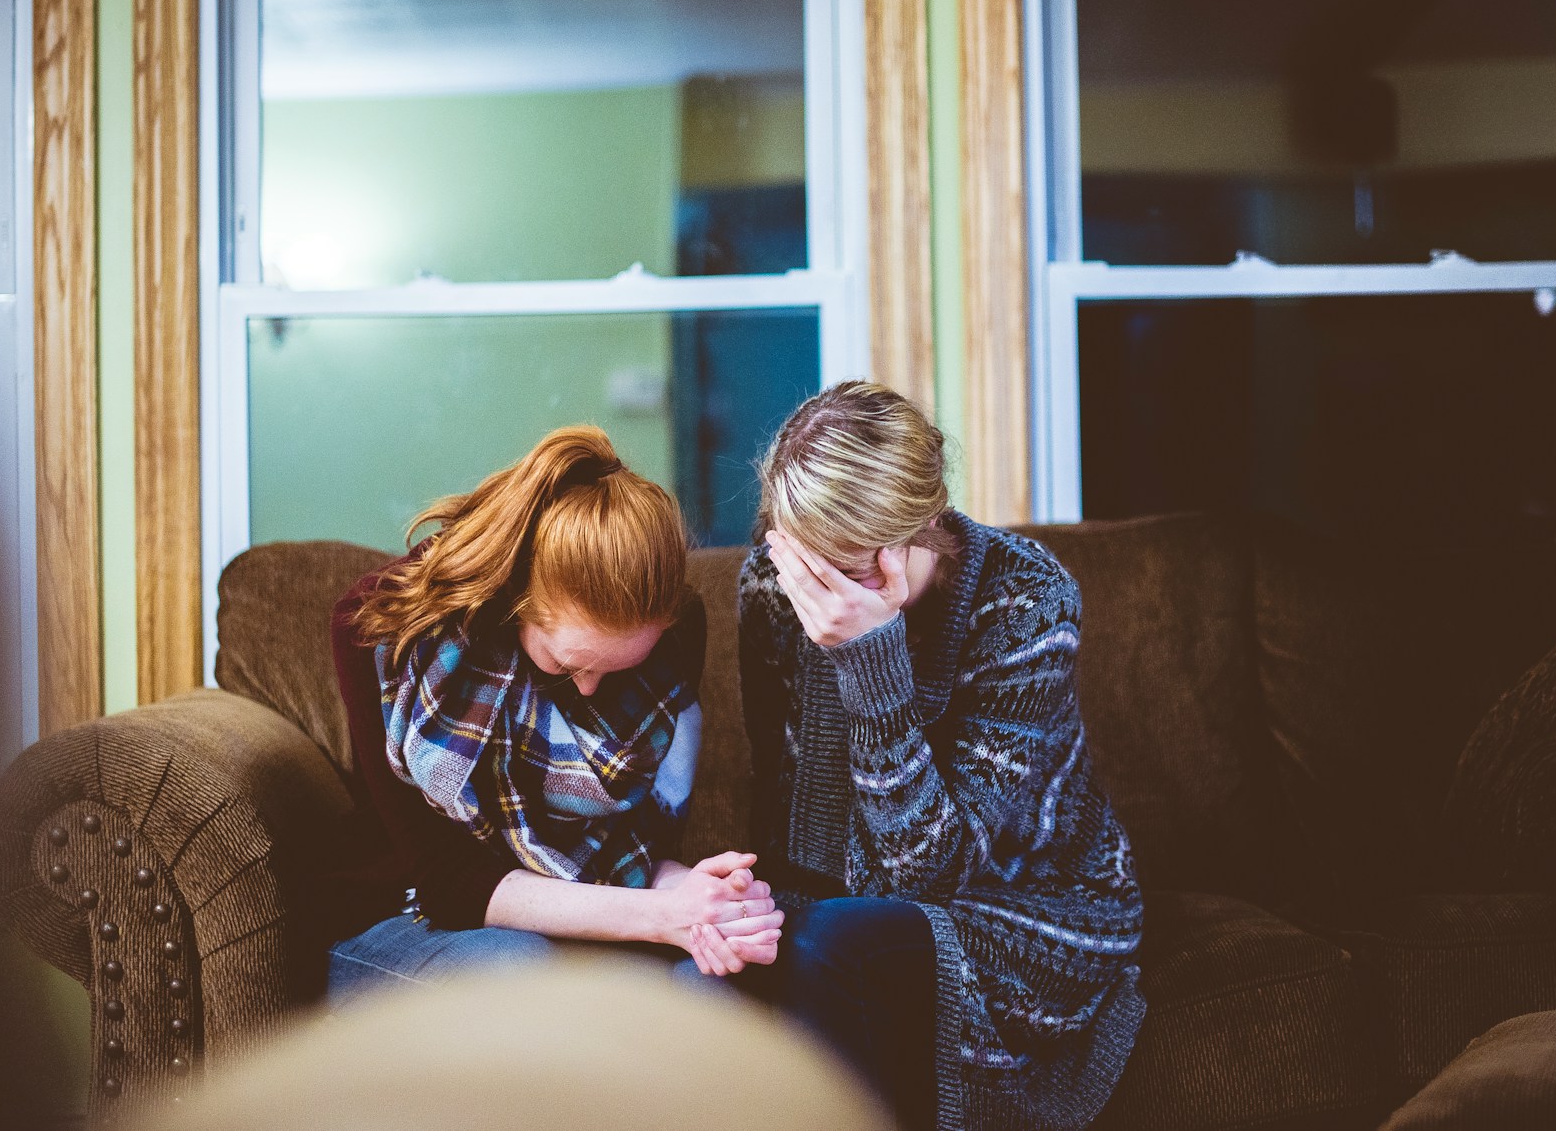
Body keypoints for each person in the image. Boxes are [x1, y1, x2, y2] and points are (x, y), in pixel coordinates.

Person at [737, 382, 1147, 1131]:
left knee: (836, 946)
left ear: (922, 526)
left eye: (849, 568)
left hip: (1030, 905)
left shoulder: (1026, 601)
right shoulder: (774, 584)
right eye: (807, 562)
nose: (821, 595)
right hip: (849, 904)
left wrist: (871, 660)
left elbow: (928, 877)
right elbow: (787, 808)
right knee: (739, 956)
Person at [327, 426, 782, 999]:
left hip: (582, 912)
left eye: (616, 670)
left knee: (716, 983)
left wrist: (707, 898)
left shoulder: (674, 634)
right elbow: (447, 882)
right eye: (567, 666)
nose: (591, 691)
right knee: (521, 970)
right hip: (406, 915)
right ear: (515, 602)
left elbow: (636, 852)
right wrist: (663, 917)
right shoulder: (381, 631)